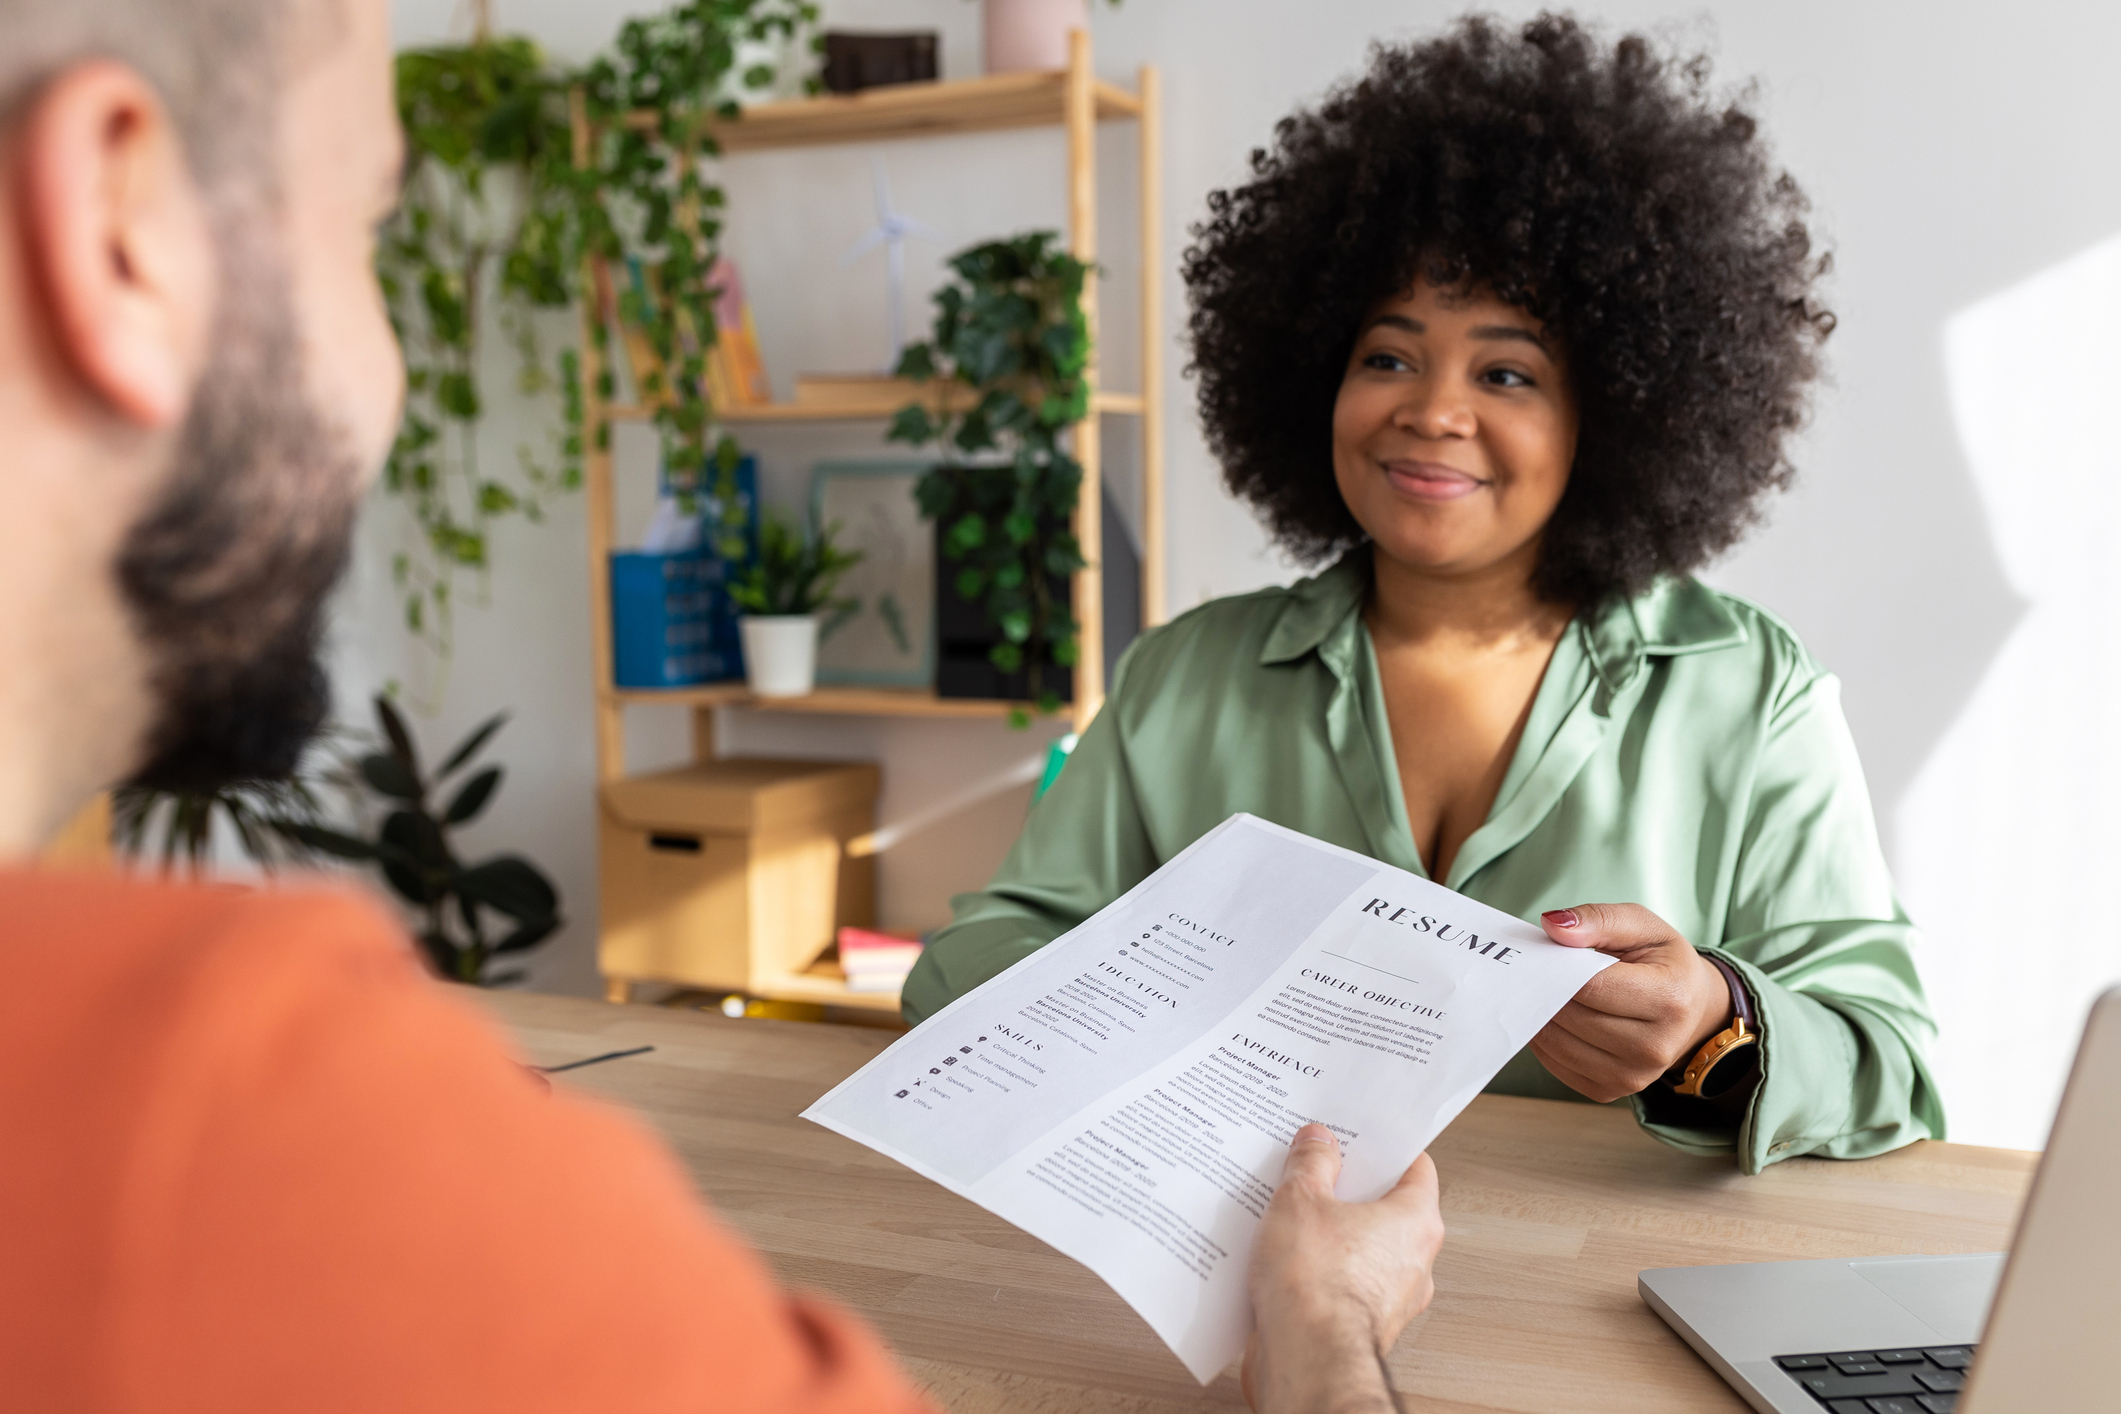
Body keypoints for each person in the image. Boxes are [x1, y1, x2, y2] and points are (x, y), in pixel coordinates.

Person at [0, 1, 1442, 1411]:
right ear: (120, 219)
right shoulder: (222, 1104)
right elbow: (991, 942)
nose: (387, 376)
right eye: (369, 234)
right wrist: (1320, 1330)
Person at [903, 14, 1944, 1174]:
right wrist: (1168, 996)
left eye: (1507, 372)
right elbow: (970, 957)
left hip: (1589, 1308)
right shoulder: (1184, 677)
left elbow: (1887, 1056)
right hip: (1242, 1280)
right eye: (1388, 356)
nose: (1432, 411)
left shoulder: (1748, 695)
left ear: (1618, 413)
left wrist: (1714, 1027)